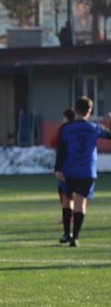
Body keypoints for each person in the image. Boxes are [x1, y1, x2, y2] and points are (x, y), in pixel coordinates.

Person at [53, 96, 111, 247]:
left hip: (69, 169)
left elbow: (61, 149)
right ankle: (75, 237)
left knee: (67, 200)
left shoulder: (66, 128)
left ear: (75, 109)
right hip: (87, 171)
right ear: (89, 111)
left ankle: (67, 233)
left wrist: (57, 168)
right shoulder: (94, 127)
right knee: (80, 202)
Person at [50, 108, 75, 233]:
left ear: (65, 118)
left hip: (65, 165)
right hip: (81, 165)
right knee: (78, 193)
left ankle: (69, 217)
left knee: (64, 192)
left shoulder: (64, 129)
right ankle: (75, 215)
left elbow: (53, 142)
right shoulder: (81, 128)